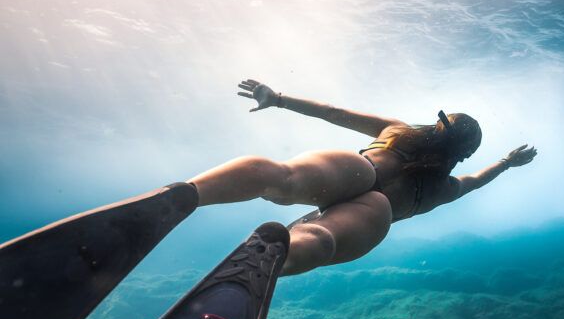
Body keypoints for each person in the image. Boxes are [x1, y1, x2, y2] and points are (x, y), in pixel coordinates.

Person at [188, 79, 537, 277]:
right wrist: (506, 162)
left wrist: (278, 99)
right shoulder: (443, 188)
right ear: (463, 154)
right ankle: (267, 266)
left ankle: (186, 194)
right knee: (323, 239)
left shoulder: (397, 132)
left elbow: (335, 113)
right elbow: (477, 179)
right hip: (375, 213)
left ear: (438, 124)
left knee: (281, 177)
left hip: (355, 170)